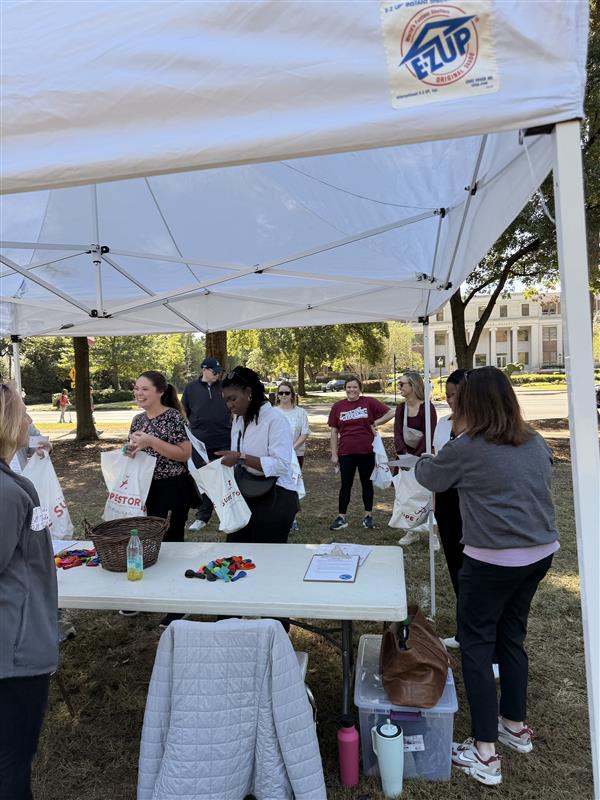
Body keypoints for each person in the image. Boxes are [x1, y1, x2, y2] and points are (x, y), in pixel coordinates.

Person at [414, 366, 559, 787]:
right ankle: (513, 725)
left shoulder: (467, 446)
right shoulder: (534, 440)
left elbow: (430, 475)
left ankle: (485, 754)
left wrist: (426, 457)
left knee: (476, 646)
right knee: (511, 638)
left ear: (470, 402)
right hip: (539, 554)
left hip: (492, 560)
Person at [0, 382, 59, 798]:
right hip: (13, 654)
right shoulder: (5, 494)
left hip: (16, 643)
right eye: (22, 411)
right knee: (11, 760)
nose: (28, 419)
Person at [124, 371, 193, 627]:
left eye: (144, 389)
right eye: (136, 388)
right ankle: (143, 597)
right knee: (145, 542)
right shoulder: (137, 420)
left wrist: (151, 441)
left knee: (172, 545)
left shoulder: (173, 417)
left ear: (160, 392)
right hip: (145, 488)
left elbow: (184, 454)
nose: (138, 393)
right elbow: (130, 451)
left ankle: (178, 604)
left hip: (173, 487)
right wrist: (128, 450)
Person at [216, 366, 298, 544]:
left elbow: (281, 465)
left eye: (233, 399)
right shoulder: (239, 418)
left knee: (266, 560)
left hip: (276, 498)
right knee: (236, 552)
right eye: (226, 400)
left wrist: (240, 457)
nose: (229, 405)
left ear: (249, 392)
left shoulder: (275, 420)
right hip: (246, 494)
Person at [328, 376, 394, 531]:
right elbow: (333, 431)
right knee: (346, 485)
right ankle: (341, 517)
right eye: (349, 387)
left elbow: (391, 412)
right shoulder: (338, 406)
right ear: (345, 389)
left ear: (360, 388)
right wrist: (334, 453)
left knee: (366, 484)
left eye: (355, 387)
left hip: (367, 452)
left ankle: (368, 516)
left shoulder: (369, 402)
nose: (352, 390)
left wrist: (376, 423)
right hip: (346, 452)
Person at [432, 369, 466, 649]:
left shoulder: (481, 429)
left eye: (453, 394)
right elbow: (436, 461)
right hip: (445, 501)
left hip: (470, 503)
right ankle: (463, 629)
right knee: (455, 565)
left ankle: (479, 633)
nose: (449, 399)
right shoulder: (443, 424)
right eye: (447, 394)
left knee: (472, 570)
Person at [182, 357, 231, 532]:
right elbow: (185, 412)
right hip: (199, 443)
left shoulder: (224, 386)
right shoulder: (191, 388)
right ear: (204, 370)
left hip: (223, 440)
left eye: (219, 371)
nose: (218, 374)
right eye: (214, 371)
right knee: (204, 480)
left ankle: (227, 515)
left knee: (225, 479)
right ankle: (203, 516)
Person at [394, 371, 437, 546]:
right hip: (405, 459)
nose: (399, 387)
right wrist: (403, 455)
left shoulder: (428, 407)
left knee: (427, 496)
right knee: (405, 495)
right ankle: (410, 531)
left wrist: (416, 458)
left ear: (413, 385)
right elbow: (397, 433)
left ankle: (433, 534)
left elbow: (430, 434)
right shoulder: (400, 408)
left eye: (402, 384)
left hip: (423, 458)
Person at [274, 381, 310, 531]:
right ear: (277, 395)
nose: (283, 396)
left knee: (292, 486)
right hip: (276, 456)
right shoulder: (273, 412)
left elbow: (305, 433)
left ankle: (292, 517)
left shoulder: (300, 412)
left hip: (296, 455)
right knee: (277, 487)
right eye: (281, 393)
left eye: (287, 393)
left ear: (292, 395)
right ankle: (276, 516)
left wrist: (291, 448)